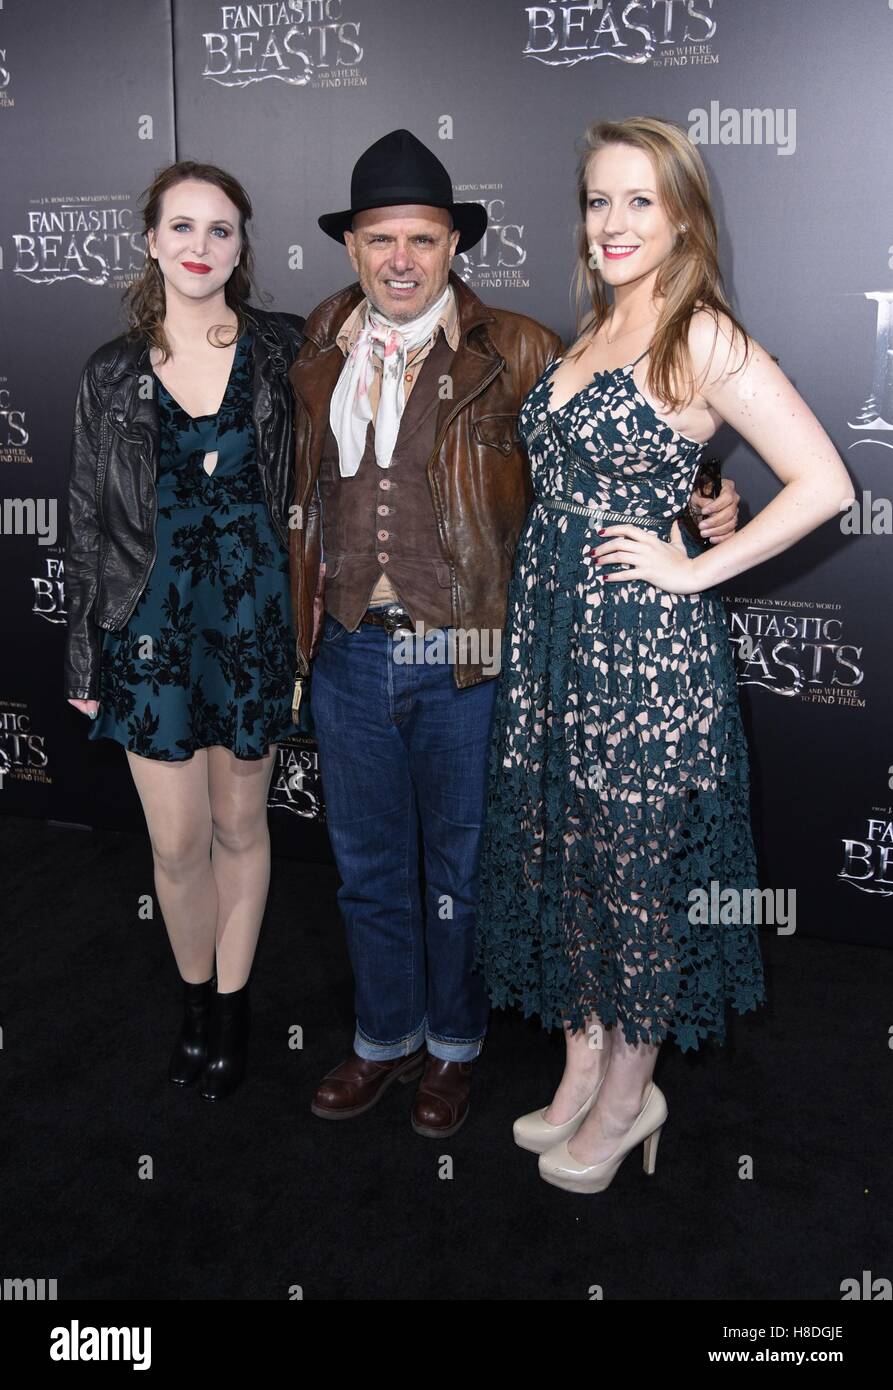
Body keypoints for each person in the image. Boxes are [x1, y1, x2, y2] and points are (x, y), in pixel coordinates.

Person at [288, 129, 741, 1138]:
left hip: (469, 649)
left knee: (462, 866)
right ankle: (381, 1040)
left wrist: (708, 494)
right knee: (364, 864)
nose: (399, 257)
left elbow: (621, 445)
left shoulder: (527, 348)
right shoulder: (312, 345)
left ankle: (453, 1050)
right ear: (351, 248)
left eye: (421, 236)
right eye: (378, 238)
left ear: (454, 245)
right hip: (351, 645)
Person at [474, 117, 854, 1192]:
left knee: (635, 875)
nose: (613, 221)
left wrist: (689, 569)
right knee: (570, 861)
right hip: (552, 644)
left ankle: (635, 1086)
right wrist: (701, 499)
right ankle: (583, 1057)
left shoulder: (700, 332)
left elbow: (826, 484)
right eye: (598, 200)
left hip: (643, 658)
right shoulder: (588, 328)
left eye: (639, 200)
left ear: (682, 212)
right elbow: (644, 460)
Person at [63, 160, 306, 1101]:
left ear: (242, 247)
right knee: (175, 843)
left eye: (220, 230)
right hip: (150, 630)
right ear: (151, 240)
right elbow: (85, 522)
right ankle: (195, 1004)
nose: (199, 246)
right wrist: (86, 650)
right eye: (182, 227)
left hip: (251, 618)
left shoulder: (285, 351)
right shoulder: (111, 373)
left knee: (242, 824)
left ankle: (236, 1011)